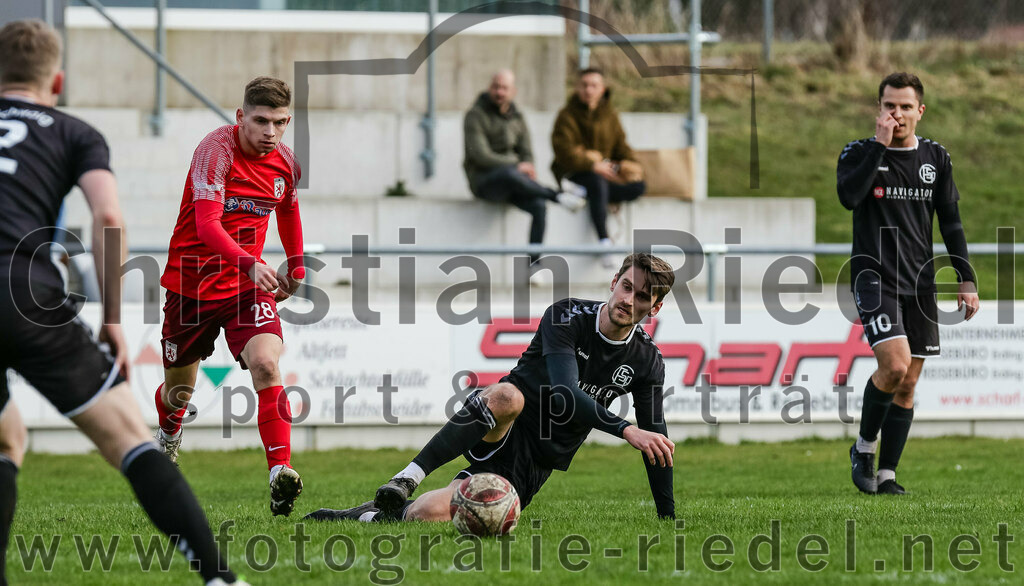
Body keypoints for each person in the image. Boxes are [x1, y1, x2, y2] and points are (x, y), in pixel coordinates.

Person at [0, 20, 244, 585]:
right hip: (24, 295)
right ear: (56, 81)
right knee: (128, 439)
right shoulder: (73, 131)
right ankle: (221, 579)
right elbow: (107, 216)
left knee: (6, 435)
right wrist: (111, 317)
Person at [305, 253, 676, 523]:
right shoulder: (566, 316)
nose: (629, 300)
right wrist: (626, 429)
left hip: (534, 462)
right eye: (627, 286)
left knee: (426, 514)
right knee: (508, 395)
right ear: (614, 282)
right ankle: (407, 477)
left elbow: (657, 443)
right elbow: (564, 392)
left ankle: (364, 517)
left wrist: (667, 518)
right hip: (501, 422)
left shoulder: (646, 361)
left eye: (642, 296)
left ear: (654, 307)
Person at [155, 76, 306, 516]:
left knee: (266, 362)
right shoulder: (215, 152)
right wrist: (250, 262)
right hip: (191, 287)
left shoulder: (285, 164)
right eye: (260, 121)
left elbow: (289, 211)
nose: (270, 132)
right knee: (177, 394)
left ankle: (280, 472)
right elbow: (206, 225)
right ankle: (168, 437)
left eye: (279, 122)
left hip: (244, 290)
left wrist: (295, 263)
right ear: (241, 117)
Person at [838, 72, 979, 495]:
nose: (895, 114)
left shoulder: (936, 158)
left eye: (903, 106)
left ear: (920, 111)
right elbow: (848, 197)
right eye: (887, 105)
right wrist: (879, 147)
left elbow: (950, 222)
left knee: (910, 381)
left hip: (919, 282)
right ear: (878, 109)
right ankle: (864, 448)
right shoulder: (859, 152)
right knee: (895, 366)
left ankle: (888, 475)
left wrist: (966, 277)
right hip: (874, 277)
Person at [463, 69, 587, 277]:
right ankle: (558, 195)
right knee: (510, 173)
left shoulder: (518, 117)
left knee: (539, 205)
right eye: (496, 87)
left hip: (514, 182)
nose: (499, 92)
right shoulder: (475, 115)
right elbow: (481, 156)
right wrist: (517, 165)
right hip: (485, 181)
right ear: (489, 88)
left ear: (513, 91)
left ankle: (534, 264)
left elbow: (527, 153)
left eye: (504, 88)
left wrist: (526, 167)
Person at [552, 68, 646, 267]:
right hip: (575, 173)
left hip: (604, 177)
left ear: (602, 89)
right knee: (597, 182)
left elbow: (621, 147)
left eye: (594, 85)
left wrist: (622, 165)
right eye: (584, 85)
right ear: (577, 88)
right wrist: (592, 165)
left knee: (638, 187)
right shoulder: (566, 115)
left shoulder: (610, 116)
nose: (588, 90)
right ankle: (604, 241)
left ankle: (588, 193)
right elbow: (563, 151)